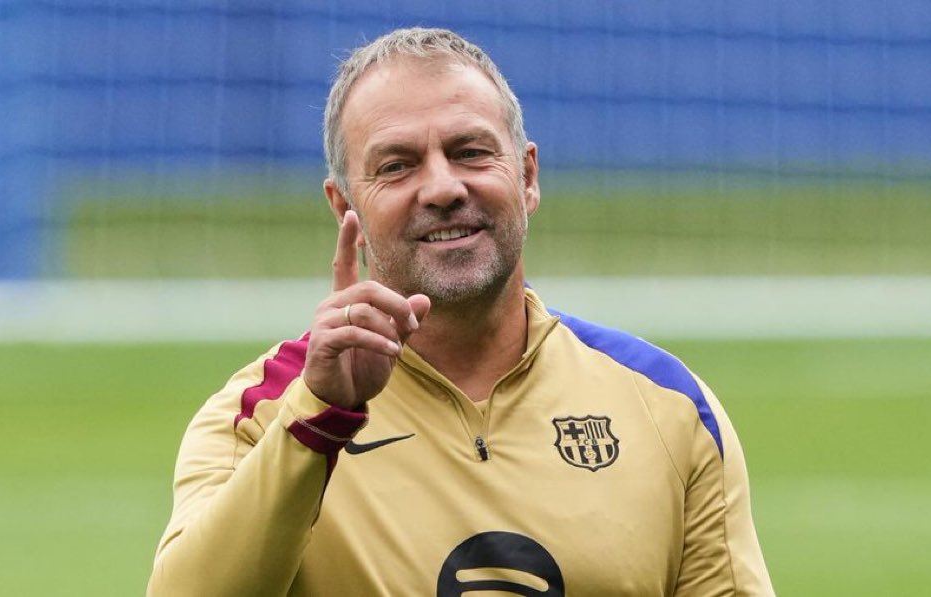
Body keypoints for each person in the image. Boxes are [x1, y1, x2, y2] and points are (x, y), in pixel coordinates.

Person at [147, 27, 774, 596]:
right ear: (345, 209)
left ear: (527, 177)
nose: (444, 188)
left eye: (470, 152)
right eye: (397, 166)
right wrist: (320, 420)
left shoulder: (666, 407)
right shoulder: (259, 414)